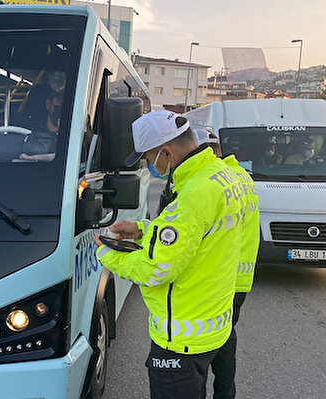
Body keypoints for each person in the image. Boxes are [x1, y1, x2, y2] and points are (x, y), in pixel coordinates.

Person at [92, 110, 247, 399]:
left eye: (148, 160)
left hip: (181, 340)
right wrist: (143, 229)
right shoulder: (220, 176)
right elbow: (196, 234)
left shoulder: (193, 195)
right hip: (211, 327)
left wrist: (107, 254)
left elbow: (156, 268)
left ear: (165, 152)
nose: (150, 166)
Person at [196, 129, 261, 399]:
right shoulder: (242, 177)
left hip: (220, 277)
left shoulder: (213, 183)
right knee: (226, 340)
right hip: (240, 278)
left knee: (203, 349)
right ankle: (225, 393)